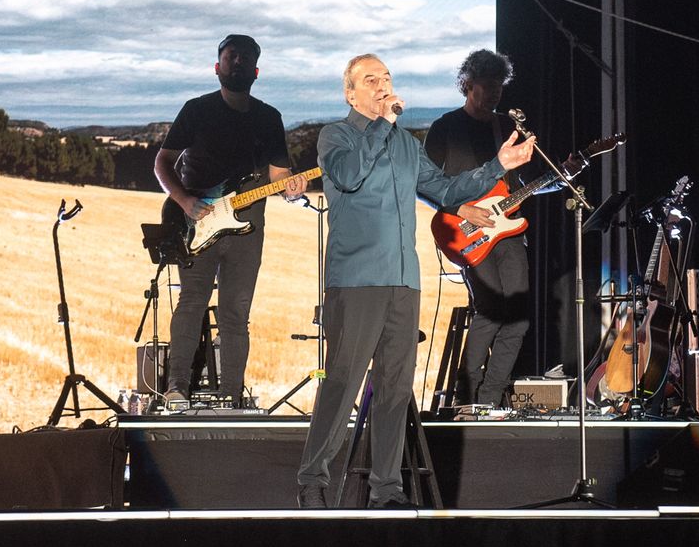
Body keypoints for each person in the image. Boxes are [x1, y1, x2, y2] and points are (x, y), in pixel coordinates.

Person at [295, 54, 535, 508]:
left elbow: (445, 191)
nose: (381, 85)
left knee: (395, 387)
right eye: (370, 80)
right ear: (350, 93)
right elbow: (347, 176)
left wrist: (497, 165)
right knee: (343, 381)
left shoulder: (406, 144)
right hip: (357, 279)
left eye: (386, 78)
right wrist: (383, 125)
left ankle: (386, 489)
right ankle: (312, 481)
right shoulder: (336, 136)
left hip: (404, 279)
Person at [154, 34, 307, 409]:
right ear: (217, 66)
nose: (238, 62)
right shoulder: (196, 110)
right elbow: (163, 163)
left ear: (256, 71)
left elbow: (279, 177)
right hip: (198, 223)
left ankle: (231, 396)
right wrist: (185, 201)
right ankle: (176, 389)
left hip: (247, 230)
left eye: (246, 57)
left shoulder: (268, 118)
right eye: (231, 56)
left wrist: (292, 189)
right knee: (191, 303)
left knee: (236, 314)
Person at [423, 49, 537, 408]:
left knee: (518, 319)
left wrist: (560, 174)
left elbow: (521, 185)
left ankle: (488, 400)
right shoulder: (444, 127)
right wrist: (461, 208)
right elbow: (424, 184)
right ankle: (465, 395)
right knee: (490, 310)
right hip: (465, 229)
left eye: (499, 87)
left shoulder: (506, 128)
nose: (494, 94)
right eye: (487, 86)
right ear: (467, 85)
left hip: (508, 232)